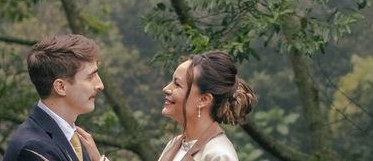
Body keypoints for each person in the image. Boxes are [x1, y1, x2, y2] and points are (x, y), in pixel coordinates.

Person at [77, 50, 256, 161]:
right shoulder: (175, 144)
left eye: (177, 84)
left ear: (204, 100)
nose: (166, 89)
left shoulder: (218, 155)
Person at [2, 33, 106, 161]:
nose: (100, 85)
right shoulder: (34, 149)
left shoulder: (75, 140)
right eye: (90, 77)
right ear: (61, 87)